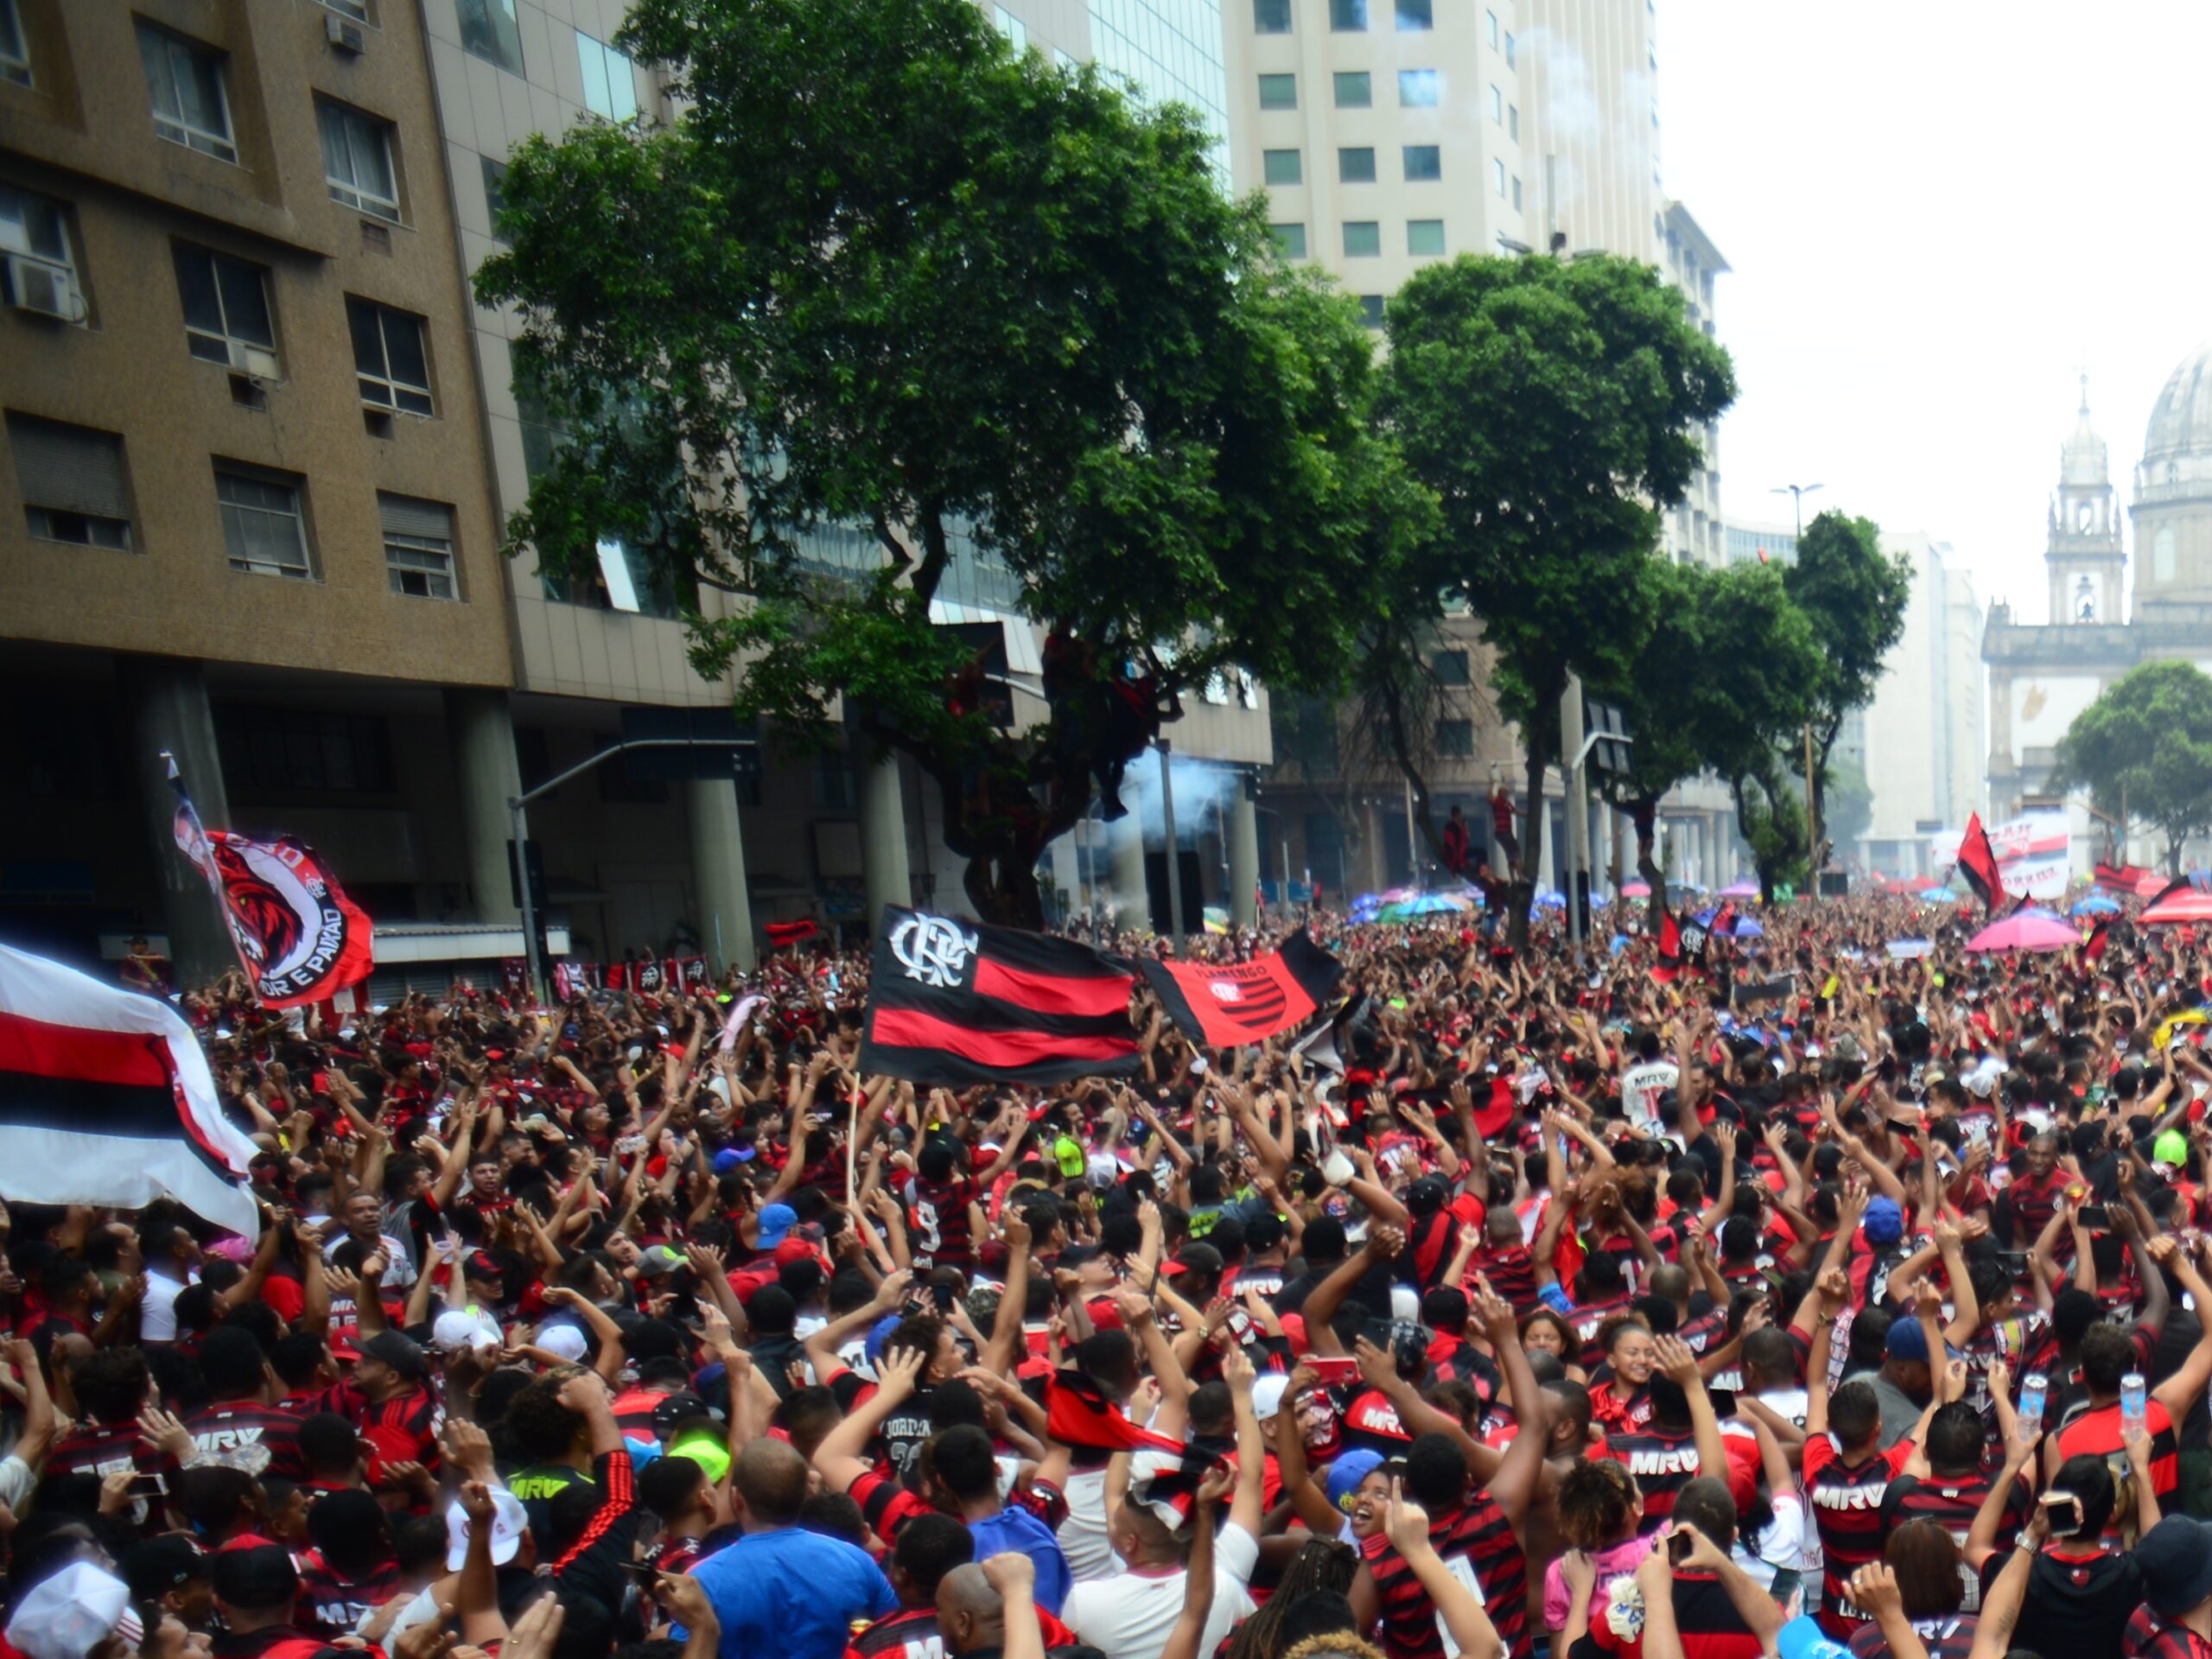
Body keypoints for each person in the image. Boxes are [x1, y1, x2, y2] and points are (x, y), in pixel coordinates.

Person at [684, 1440, 895, 1659]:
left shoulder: (701, 1580)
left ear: (737, 1499)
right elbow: (895, 1635)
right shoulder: (857, 1560)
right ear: (805, 1494)